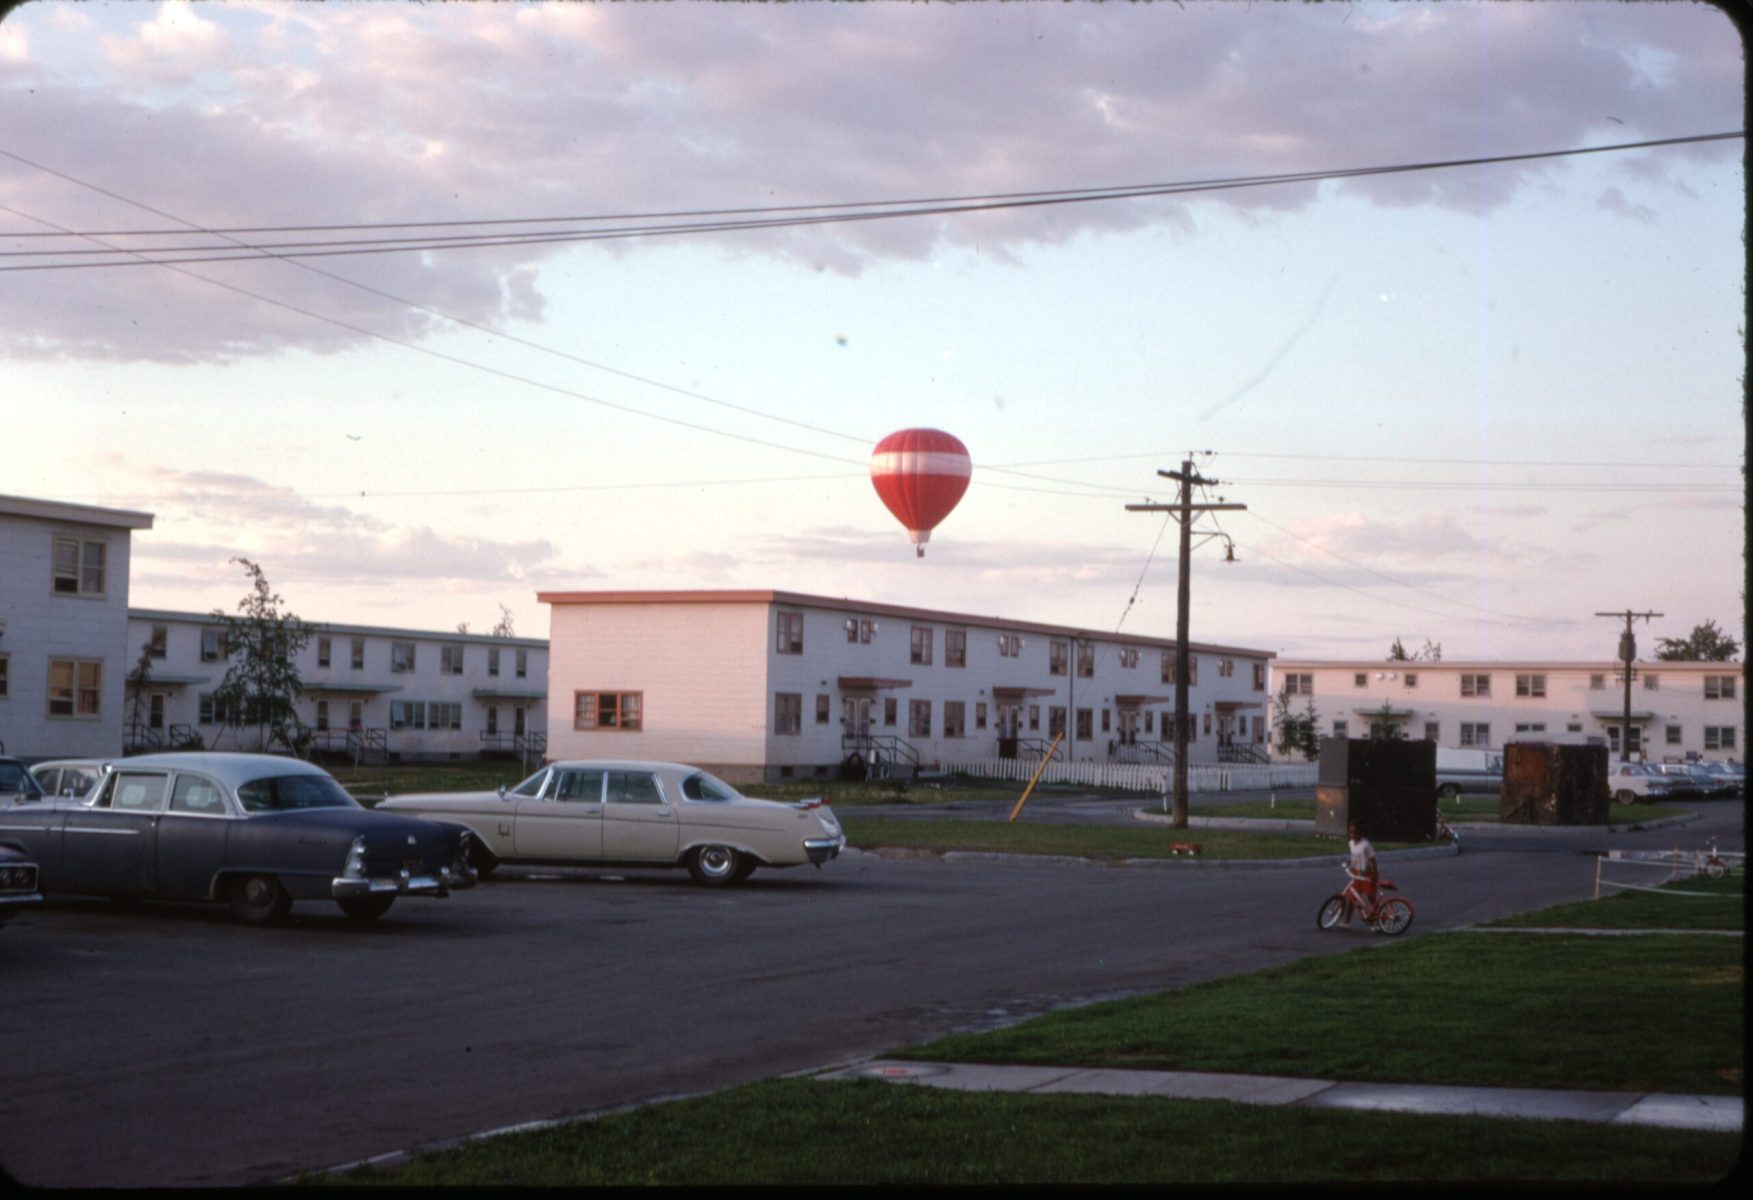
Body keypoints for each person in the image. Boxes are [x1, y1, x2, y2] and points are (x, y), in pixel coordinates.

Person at [1346, 819, 1378, 918]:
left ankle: (1379, 916)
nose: (1352, 835)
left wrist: (1374, 874)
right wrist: (1350, 862)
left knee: (1370, 896)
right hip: (1357, 873)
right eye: (1350, 832)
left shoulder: (1366, 845)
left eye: (1355, 833)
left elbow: (1373, 860)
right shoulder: (1351, 843)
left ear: (1361, 833)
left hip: (1366, 874)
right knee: (1353, 896)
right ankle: (1346, 921)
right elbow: (1355, 856)